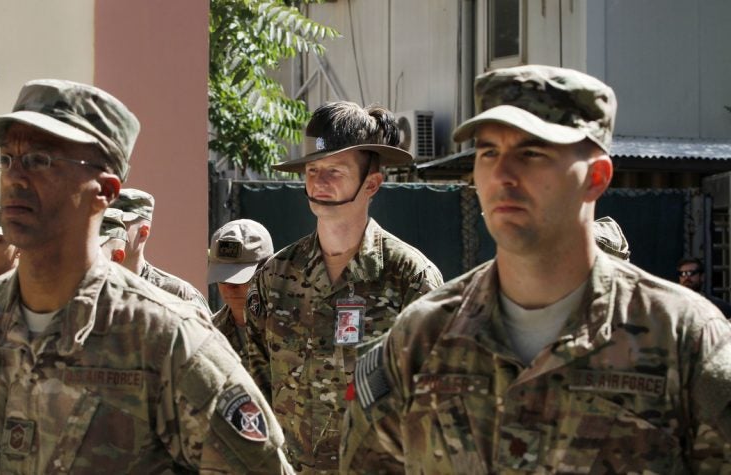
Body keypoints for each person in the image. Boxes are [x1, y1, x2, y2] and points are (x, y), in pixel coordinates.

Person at [341, 65, 731, 473]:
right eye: (489, 151)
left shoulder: (683, 337)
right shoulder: (421, 338)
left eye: (532, 153)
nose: (503, 175)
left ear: (596, 178)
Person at [0, 79, 291, 473]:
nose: (15, 177)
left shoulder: (167, 340)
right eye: (8, 159)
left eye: (40, 160)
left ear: (104, 190)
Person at [245, 101, 444, 472]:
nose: (319, 182)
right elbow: (253, 386)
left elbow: (433, 404)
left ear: (371, 183)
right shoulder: (274, 278)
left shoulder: (410, 279)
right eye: (313, 169)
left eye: (334, 170)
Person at [110, 188, 210, 311]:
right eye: (104, 222)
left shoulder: (177, 294)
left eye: (118, 224)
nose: (109, 230)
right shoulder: (89, 286)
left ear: (143, 233)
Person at [208, 219, 273, 364]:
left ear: (267, 271)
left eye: (239, 278)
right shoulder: (207, 334)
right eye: (222, 277)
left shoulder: (296, 327)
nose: (230, 287)